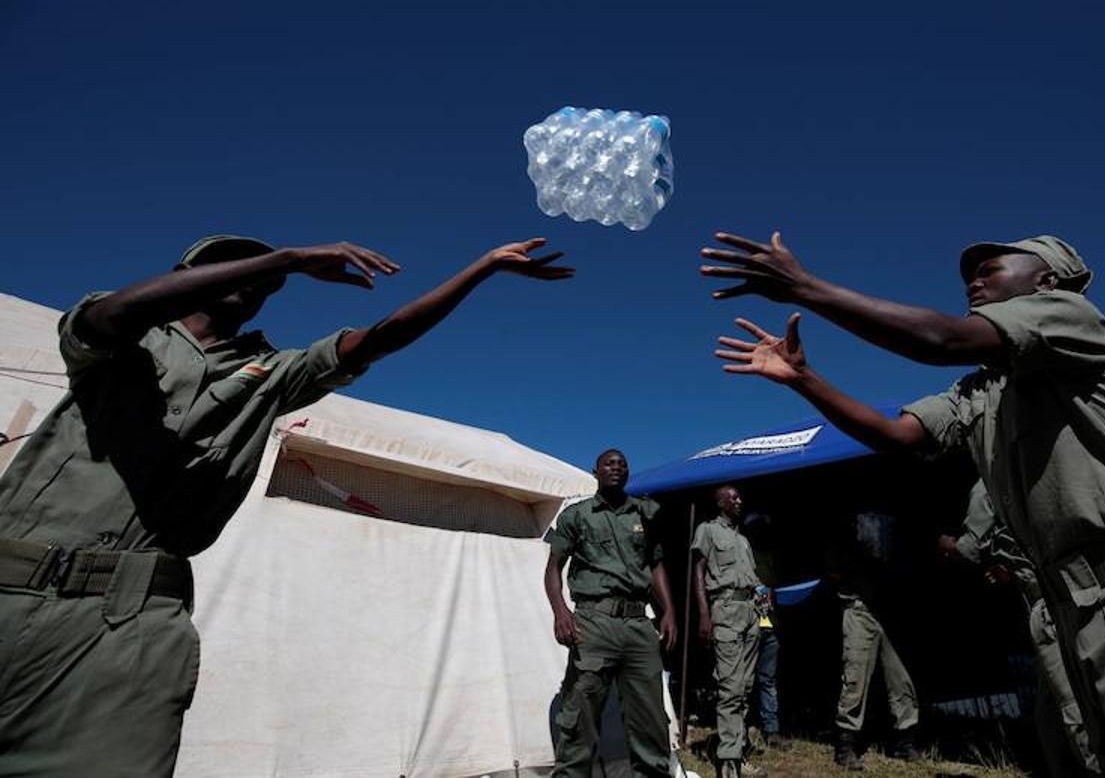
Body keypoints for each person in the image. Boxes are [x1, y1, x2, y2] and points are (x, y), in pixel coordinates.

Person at [701, 230, 1105, 778]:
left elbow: (938, 338)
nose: (974, 280)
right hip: (1062, 608)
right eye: (971, 272)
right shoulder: (983, 387)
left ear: (1047, 281)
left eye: (992, 267)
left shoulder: (1072, 318)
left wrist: (806, 288)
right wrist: (804, 380)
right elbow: (898, 436)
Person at [0, 233, 573, 777]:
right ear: (183, 277)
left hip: (128, 625)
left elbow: (381, 337)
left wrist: (483, 267)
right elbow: (108, 317)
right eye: (225, 264)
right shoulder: (127, 337)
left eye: (258, 275)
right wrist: (289, 259)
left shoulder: (270, 374)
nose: (247, 278)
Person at [939, 481, 1099, 777]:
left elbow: (971, 547)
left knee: (1071, 709)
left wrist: (944, 544)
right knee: (1053, 711)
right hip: (1077, 592)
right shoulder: (1039, 470)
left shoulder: (989, 481)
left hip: (1048, 605)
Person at [545, 449, 678, 778]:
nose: (616, 468)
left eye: (622, 464)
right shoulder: (577, 515)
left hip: (638, 624)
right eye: (609, 464)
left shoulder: (644, 514)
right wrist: (560, 611)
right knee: (581, 717)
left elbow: (655, 564)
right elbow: (553, 569)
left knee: (649, 716)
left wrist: (669, 611)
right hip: (594, 623)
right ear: (596, 471)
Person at [825, 510, 920, 769]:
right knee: (855, 676)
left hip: (889, 608)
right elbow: (832, 571)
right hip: (860, 608)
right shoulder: (845, 531)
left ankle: (905, 743)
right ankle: (845, 746)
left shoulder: (893, 526)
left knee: (901, 679)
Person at [692, 485, 761, 778]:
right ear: (720, 503)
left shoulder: (743, 539)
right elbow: (698, 571)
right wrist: (704, 614)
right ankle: (728, 761)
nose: (739, 501)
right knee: (730, 689)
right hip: (725, 611)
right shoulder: (708, 530)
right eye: (732, 498)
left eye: (739, 497)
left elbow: (749, 577)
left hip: (750, 612)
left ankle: (739, 751)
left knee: (745, 688)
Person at [741, 513, 786, 752]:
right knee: (746, 681)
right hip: (749, 625)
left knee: (767, 680)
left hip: (770, 624)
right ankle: (744, 728)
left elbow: (774, 587)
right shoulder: (742, 555)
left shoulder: (769, 556)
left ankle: (772, 730)